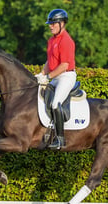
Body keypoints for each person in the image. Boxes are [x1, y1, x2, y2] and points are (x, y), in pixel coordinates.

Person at [35, 9, 76, 150]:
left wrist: (47, 77)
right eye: (50, 23)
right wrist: (41, 74)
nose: (50, 26)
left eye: (53, 23)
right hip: (55, 76)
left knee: (55, 103)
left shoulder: (66, 41)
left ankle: (60, 139)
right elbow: (50, 61)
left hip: (66, 76)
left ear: (62, 23)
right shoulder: (52, 40)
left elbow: (64, 65)